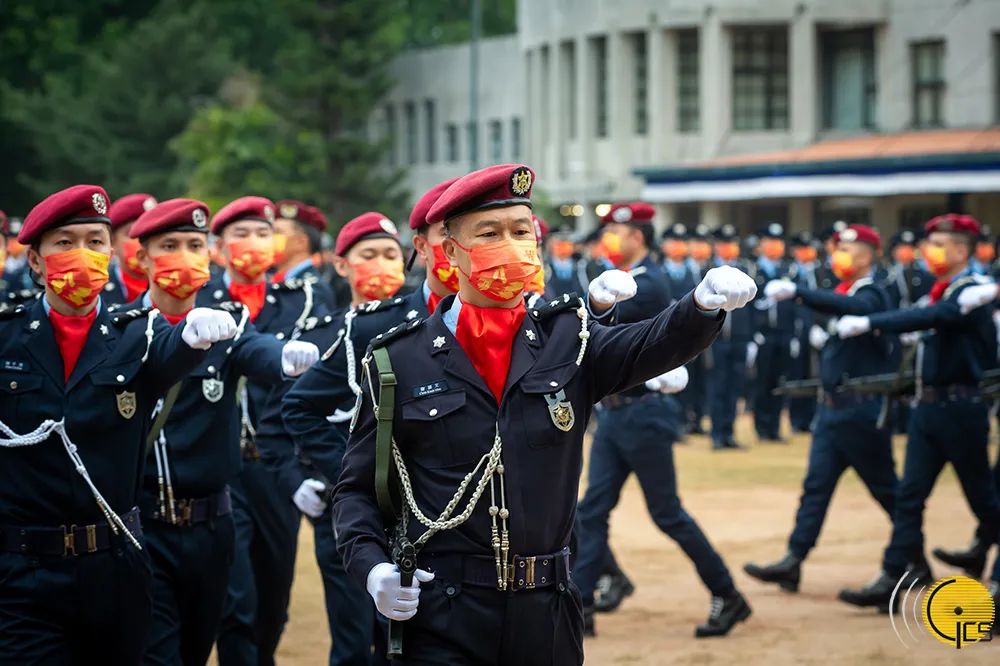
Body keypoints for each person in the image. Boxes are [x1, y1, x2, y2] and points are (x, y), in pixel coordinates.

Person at [333, 165, 758, 664]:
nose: (511, 246)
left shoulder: (567, 339)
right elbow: (357, 489)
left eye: (521, 232)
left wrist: (701, 307)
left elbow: (648, 343)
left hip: (545, 612)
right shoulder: (399, 359)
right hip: (442, 613)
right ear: (449, 252)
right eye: (489, 234)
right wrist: (373, 569)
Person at [0, 184, 237, 663]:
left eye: (95, 241)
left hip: (115, 568)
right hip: (22, 572)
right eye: (65, 243)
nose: (82, 254)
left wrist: (192, 336)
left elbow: (169, 353)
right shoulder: (6, 336)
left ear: (111, 254)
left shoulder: (137, 333)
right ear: (36, 262)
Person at [124, 198, 318, 666]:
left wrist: (284, 358)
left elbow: (255, 349)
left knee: (213, 636)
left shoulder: (221, 325)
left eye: (194, 245)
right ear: (142, 258)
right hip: (144, 522)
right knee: (163, 650)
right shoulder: (120, 329)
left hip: (211, 523)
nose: (184, 256)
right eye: (170, 245)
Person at [279, 181, 463, 665]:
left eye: (388, 254)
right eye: (369, 255)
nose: (381, 265)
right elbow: (298, 407)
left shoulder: (490, 319)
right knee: (357, 644)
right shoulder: (371, 325)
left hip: (447, 520)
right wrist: (353, 478)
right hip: (372, 517)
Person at [576, 203, 752, 638]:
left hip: (643, 414)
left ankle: (727, 594)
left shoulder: (648, 283)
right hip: (615, 413)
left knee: (666, 513)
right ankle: (581, 604)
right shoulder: (623, 279)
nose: (607, 240)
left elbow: (618, 337)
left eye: (616, 233)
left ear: (637, 237)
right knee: (591, 511)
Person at [836, 213, 1000, 612]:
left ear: (961, 250)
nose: (930, 252)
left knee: (984, 501)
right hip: (927, 410)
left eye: (939, 245)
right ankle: (893, 575)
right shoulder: (942, 291)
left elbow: (932, 318)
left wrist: (870, 321)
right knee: (909, 499)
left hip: (960, 410)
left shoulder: (970, 292)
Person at [202, 196, 324, 666]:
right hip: (223, 469)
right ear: (218, 247)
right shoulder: (204, 304)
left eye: (262, 233)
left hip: (275, 467)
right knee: (237, 599)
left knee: (274, 595)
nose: (254, 243)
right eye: (241, 234)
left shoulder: (301, 301)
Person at [744, 225, 900, 592]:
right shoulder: (844, 292)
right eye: (838, 249)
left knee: (887, 491)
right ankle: (794, 559)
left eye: (849, 250)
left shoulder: (873, 292)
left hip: (861, 412)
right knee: (815, 488)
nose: (839, 256)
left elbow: (856, 308)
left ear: (869, 255)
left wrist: (799, 293)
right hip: (832, 412)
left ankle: (912, 557)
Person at [706, 224, 755, 450]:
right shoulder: (707, 271)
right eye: (724, 243)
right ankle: (716, 433)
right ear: (716, 246)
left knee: (735, 387)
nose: (729, 247)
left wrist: (753, 338)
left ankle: (729, 432)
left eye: (732, 243)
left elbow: (753, 307)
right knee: (718, 386)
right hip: (715, 338)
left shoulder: (745, 269)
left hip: (739, 337)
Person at [751, 222, 795, 442]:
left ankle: (774, 427)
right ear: (761, 244)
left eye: (778, 242)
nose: (775, 246)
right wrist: (752, 335)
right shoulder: (753, 270)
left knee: (779, 382)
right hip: (763, 335)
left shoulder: (788, 271)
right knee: (762, 381)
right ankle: (761, 425)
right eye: (770, 242)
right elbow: (748, 307)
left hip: (784, 334)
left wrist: (795, 333)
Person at [662, 223, 706, 435]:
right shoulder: (659, 270)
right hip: (666, 333)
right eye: (674, 241)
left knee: (694, 380)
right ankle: (674, 424)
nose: (678, 246)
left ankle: (693, 421)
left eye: (682, 242)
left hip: (691, 333)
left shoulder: (694, 271)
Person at [784, 231, 820, 433]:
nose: (807, 252)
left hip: (816, 330)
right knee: (797, 375)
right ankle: (797, 419)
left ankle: (812, 416)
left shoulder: (821, 272)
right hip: (796, 331)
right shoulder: (790, 272)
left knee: (815, 375)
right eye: (803, 248)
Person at [272, 199, 337, 309]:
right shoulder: (277, 280)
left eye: (277, 232)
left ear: (301, 242)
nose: (268, 238)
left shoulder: (313, 290)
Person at [105, 193, 158, 305]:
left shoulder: (179, 288)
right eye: (133, 234)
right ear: (112, 242)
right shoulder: (97, 294)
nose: (142, 242)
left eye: (152, 233)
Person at [884, 229, 932, 308]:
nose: (905, 251)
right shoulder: (884, 273)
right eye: (901, 248)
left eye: (910, 248)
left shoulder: (924, 274)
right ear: (893, 251)